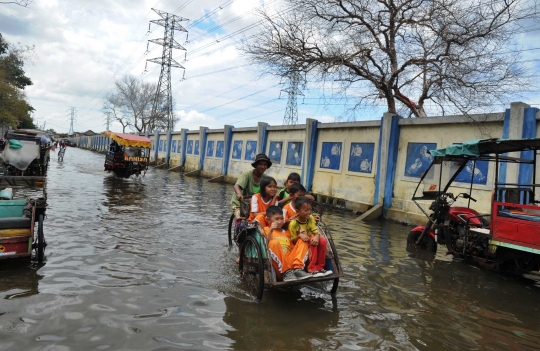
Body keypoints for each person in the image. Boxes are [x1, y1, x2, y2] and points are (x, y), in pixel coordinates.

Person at [263, 206, 311, 282]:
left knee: (302, 240)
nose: (280, 221)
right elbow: (269, 246)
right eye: (277, 219)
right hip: (279, 268)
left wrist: (300, 235)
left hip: (291, 262)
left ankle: (298, 269)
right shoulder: (266, 230)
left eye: (282, 218)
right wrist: (271, 230)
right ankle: (286, 272)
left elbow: (294, 247)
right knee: (274, 243)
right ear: (268, 220)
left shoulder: (287, 231)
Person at [289, 196, 332, 277]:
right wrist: (300, 236)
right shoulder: (293, 224)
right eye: (306, 210)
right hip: (300, 245)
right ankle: (312, 268)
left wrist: (317, 236)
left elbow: (315, 231)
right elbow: (293, 241)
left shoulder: (311, 218)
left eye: (310, 210)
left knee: (322, 241)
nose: (309, 212)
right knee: (312, 240)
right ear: (298, 211)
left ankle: (320, 267)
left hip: (310, 240)